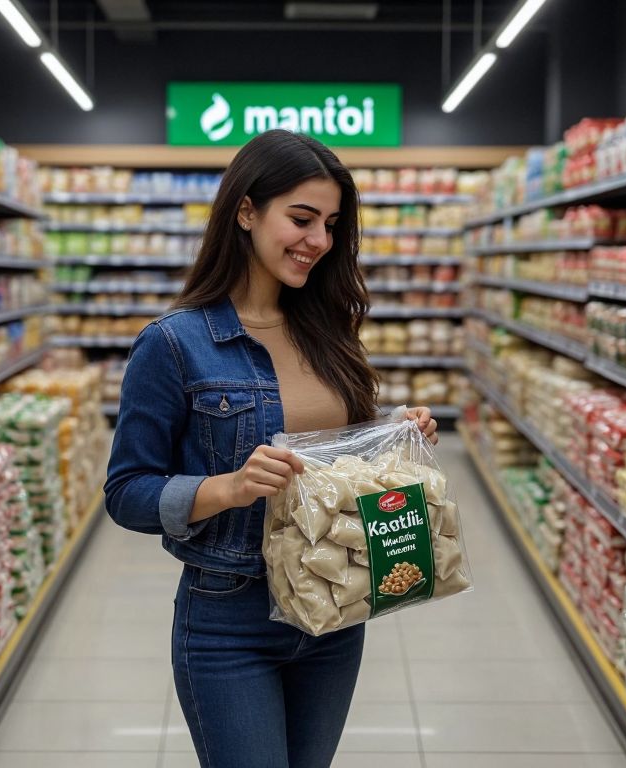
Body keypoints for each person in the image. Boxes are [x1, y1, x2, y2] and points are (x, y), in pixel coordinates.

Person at [104, 129, 440, 768]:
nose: (319, 241)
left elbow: (341, 467)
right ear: (246, 210)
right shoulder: (173, 344)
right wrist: (227, 487)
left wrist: (397, 442)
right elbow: (127, 492)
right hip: (230, 619)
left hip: (337, 609)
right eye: (302, 218)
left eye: (332, 224)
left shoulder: (329, 331)